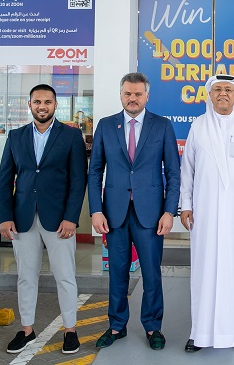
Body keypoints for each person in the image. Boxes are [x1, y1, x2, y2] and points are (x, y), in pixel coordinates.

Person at [88, 72, 181, 351]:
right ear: (121, 95)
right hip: (113, 213)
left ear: (147, 96)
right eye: (128, 93)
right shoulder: (106, 126)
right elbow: (95, 172)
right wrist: (96, 210)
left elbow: (173, 173)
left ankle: (152, 326)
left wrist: (169, 212)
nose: (132, 98)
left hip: (150, 214)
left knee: (151, 274)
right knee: (117, 273)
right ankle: (117, 325)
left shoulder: (162, 126)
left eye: (138, 94)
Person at [0, 84, 88, 355]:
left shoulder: (71, 136)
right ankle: (27, 330)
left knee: (65, 276)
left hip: (59, 220)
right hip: (23, 218)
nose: (42, 106)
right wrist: (6, 217)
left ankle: (70, 331)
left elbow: (78, 180)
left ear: (55, 105)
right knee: (26, 277)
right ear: (30, 104)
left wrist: (71, 218)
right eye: (37, 101)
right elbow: (6, 180)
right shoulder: (16, 136)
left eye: (47, 101)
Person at [180, 74, 234, 354]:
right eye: (217, 89)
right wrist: (186, 204)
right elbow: (187, 170)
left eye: (228, 89)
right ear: (209, 94)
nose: (222, 93)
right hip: (205, 212)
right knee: (204, 270)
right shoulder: (198, 126)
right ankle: (200, 332)